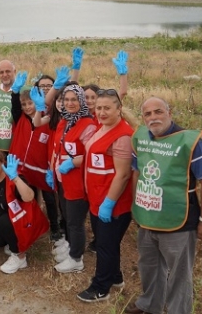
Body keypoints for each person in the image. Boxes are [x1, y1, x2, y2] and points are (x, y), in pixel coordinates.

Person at [125, 97, 202, 314]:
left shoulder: (190, 141)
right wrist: (135, 207)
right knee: (149, 267)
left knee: (179, 274)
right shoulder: (141, 138)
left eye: (158, 111)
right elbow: (136, 173)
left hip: (179, 221)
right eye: (147, 114)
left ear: (169, 112)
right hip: (147, 218)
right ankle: (150, 305)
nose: (153, 117)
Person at [75, 89, 135, 302]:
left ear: (119, 109)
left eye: (107, 108)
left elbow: (124, 173)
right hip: (96, 199)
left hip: (113, 203)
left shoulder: (123, 136)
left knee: (105, 246)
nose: (101, 112)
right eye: (99, 108)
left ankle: (101, 287)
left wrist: (109, 202)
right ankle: (115, 276)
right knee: (107, 242)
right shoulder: (102, 127)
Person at [0, 148, 49, 274]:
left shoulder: (14, 176)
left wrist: (15, 178)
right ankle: (13, 242)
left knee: (4, 220)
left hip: (25, 219)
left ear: (2, 161)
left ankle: (20, 257)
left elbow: (29, 197)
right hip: (9, 218)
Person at [50, 83, 97, 273]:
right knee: (67, 217)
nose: (69, 103)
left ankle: (76, 258)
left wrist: (72, 163)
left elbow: (92, 154)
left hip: (77, 182)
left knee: (75, 222)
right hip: (63, 180)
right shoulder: (65, 121)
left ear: (82, 101)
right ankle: (70, 247)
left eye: (74, 99)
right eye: (66, 99)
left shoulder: (88, 125)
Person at [11, 84, 62, 241]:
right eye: (24, 104)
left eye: (30, 103)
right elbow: (14, 105)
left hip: (41, 168)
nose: (27, 107)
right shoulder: (20, 117)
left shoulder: (46, 121)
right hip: (22, 168)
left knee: (50, 199)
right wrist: (15, 92)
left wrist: (51, 167)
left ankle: (55, 227)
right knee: (28, 198)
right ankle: (31, 223)